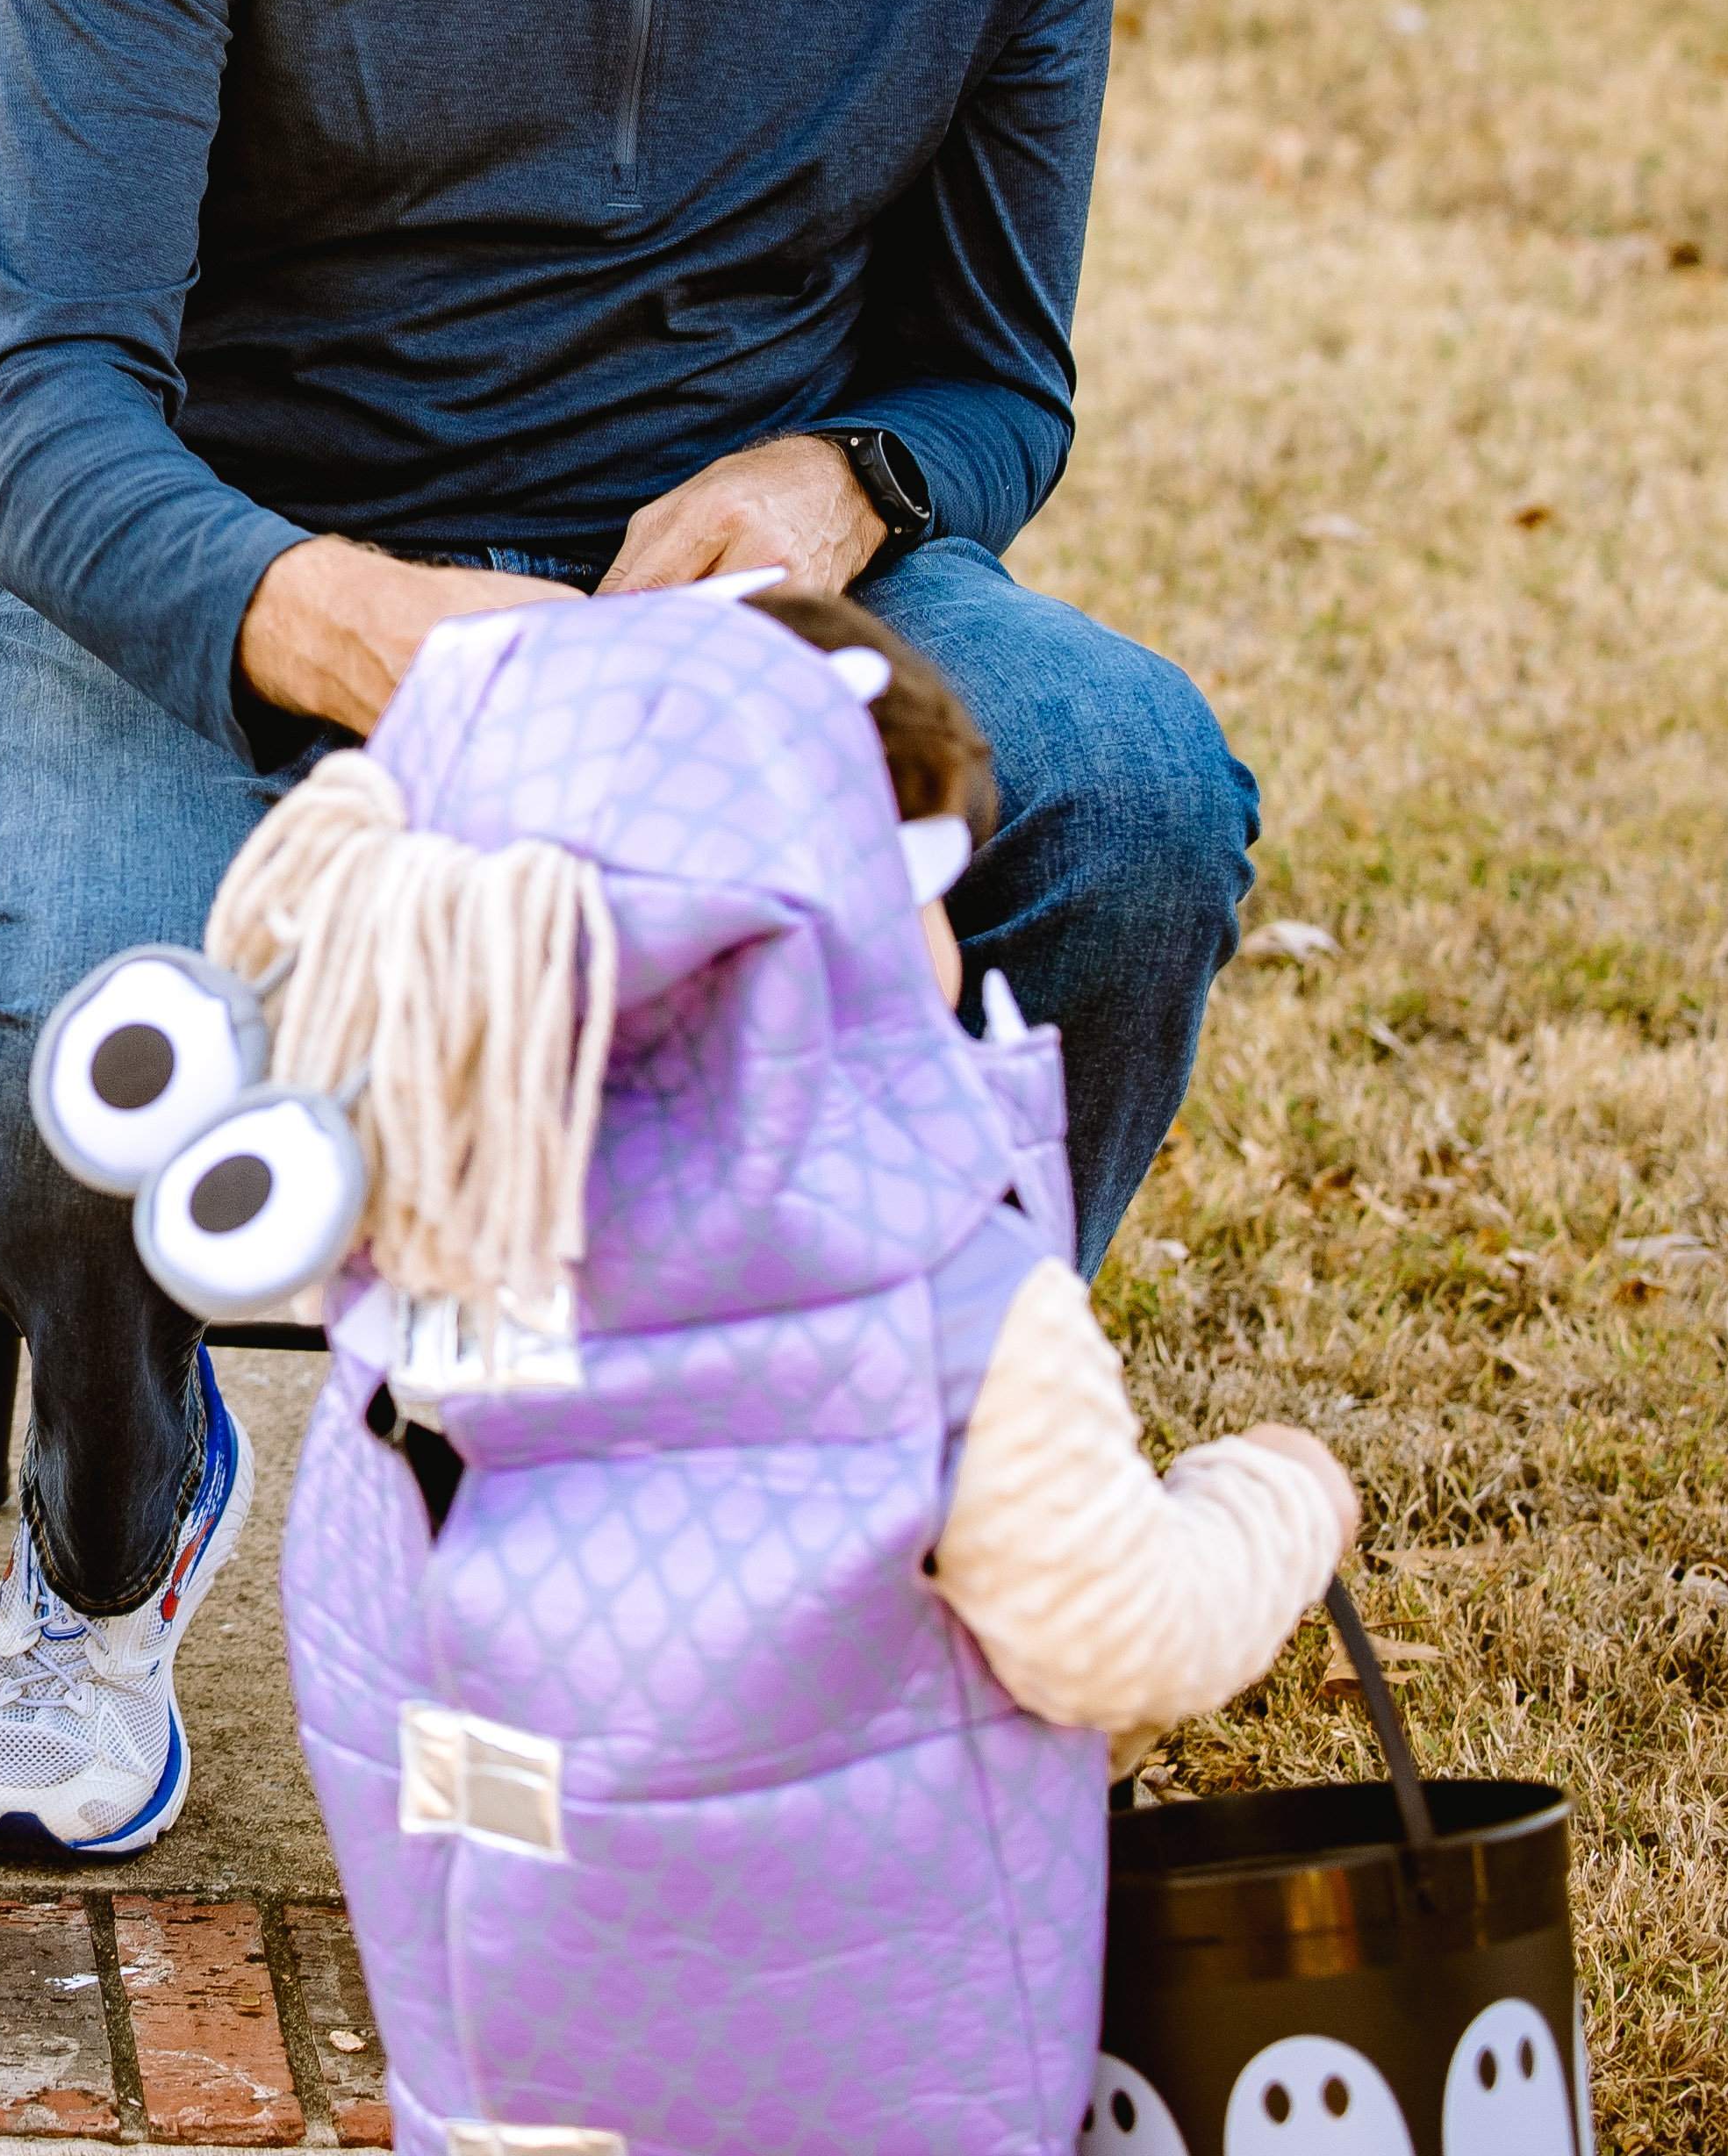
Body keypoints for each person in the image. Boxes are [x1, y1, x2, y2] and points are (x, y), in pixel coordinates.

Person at [0, 0, 1258, 1864]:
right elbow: (38, 399)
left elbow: (996, 385)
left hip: (699, 596)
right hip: (216, 546)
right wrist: (368, 629)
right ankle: (111, 1525)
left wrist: (837, 488)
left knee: (1132, 798)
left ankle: (883, 1510)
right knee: (73, 1049)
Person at [176, 582, 1352, 2152]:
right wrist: (1273, 1499)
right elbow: (1110, 1638)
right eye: (930, 891)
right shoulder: (941, 1300)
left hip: (498, 2087)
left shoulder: (425, 1268)